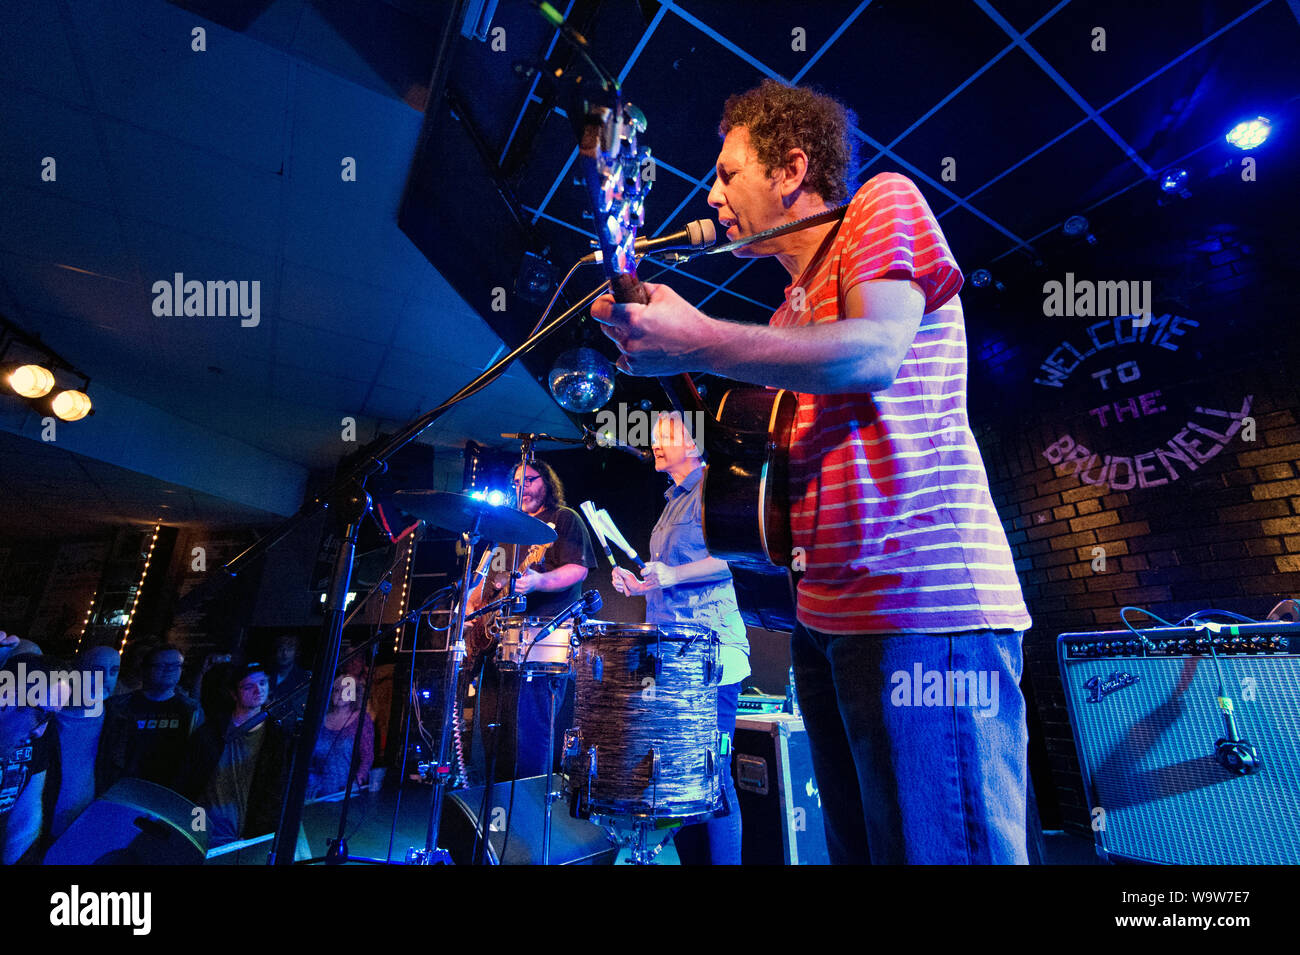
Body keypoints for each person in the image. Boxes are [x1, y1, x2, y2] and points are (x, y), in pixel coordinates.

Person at [590, 80, 1032, 864]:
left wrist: (697, 342)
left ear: (791, 168)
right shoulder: (788, 309)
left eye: (728, 173)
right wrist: (663, 345)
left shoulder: (880, 205)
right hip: (826, 623)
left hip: (922, 612)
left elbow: (873, 352)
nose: (713, 192)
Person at [611, 411, 750, 865]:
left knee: (714, 773)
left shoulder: (715, 488)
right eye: (653, 436)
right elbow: (667, 578)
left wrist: (671, 572)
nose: (655, 442)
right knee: (681, 776)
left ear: (694, 443)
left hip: (712, 651)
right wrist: (640, 584)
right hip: (673, 654)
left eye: (666, 434)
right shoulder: (673, 500)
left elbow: (736, 556)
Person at [466, 460, 596, 781]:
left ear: (547, 483)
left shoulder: (563, 520)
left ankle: (531, 811)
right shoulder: (505, 531)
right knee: (493, 732)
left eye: (530, 479)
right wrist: (468, 613)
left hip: (542, 641)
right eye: (516, 482)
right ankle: (495, 809)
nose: (522, 487)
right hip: (494, 645)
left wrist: (538, 582)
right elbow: (481, 584)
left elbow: (577, 569)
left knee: (531, 732)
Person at [176, 663, 288, 848]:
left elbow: (276, 789)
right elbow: (188, 777)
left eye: (262, 683)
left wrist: (260, 830)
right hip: (203, 821)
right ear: (234, 693)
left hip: (245, 830)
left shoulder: (276, 737)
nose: (258, 690)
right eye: (248, 686)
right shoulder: (211, 732)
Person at [96, 644, 203, 793]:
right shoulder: (116, 706)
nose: (169, 670)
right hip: (121, 788)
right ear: (145, 669)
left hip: (168, 792)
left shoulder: (192, 711)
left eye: (176, 665)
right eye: (162, 665)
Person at [49, 645, 120, 840]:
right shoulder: (45, 716)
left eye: (113, 671)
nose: (105, 679)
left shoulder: (119, 723)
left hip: (88, 826)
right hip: (40, 826)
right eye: (96, 671)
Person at [306, 674, 374, 799]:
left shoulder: (361, 719)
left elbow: (368, 756)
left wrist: (357, 781)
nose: (341, 694)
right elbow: (309, 756)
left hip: (345, 792)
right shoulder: (320, 719)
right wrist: (310, 781)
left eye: (346, 690)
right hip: (316, 792)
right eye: (337, 690)